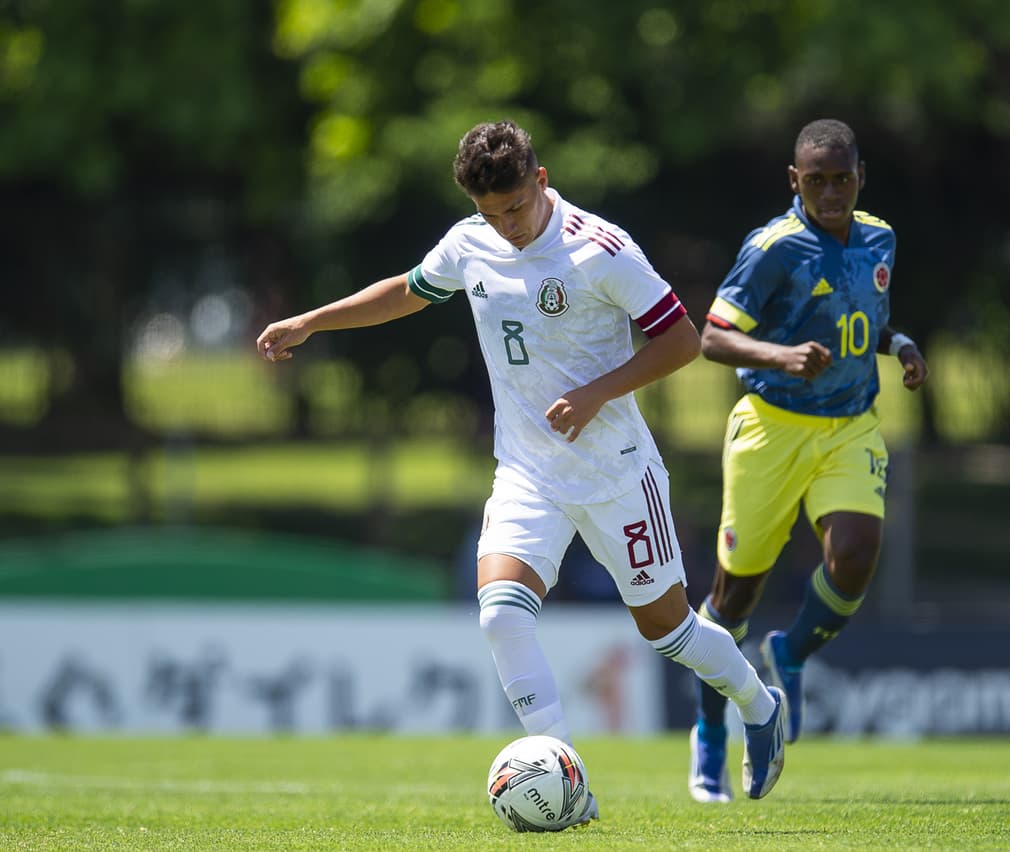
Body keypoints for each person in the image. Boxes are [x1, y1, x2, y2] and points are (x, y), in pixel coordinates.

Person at [255, 120, 787, 814]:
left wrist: (598, 394)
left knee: (669, 632)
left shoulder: (600, 250)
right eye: (491, 214)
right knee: (501, 615)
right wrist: (312, 321)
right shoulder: (468, 242)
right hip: (528, 473)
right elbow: (409, 291)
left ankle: (757, 701)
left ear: (540, 181)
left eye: (515, 208)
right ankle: (571, 783)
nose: (505, 226)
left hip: (617, 472)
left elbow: (682, 339)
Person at [688, 118, 928, 803]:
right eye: (815, 180)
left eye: (841, 179)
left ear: (860, 176)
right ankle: (709, 729)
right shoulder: (772, 247)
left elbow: (863, 319)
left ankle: (787, 654)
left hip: (850, 425)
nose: (829, 192)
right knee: (735, 594)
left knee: (855, 552)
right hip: (771, 427)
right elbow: (714, 337)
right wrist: (780, 356)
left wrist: (901, 342)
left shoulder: (879, 236)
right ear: (794, 181)